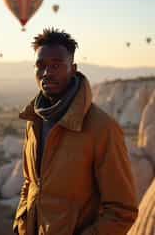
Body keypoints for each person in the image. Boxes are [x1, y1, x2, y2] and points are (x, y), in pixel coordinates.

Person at [13, 28, 138, 235]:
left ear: (73, 68)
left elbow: (122, 210)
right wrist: (20, 226)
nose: (46, 73)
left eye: (56, 65)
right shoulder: (34, 120)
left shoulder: (102, 128)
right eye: (40, 66)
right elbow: (30, 184)